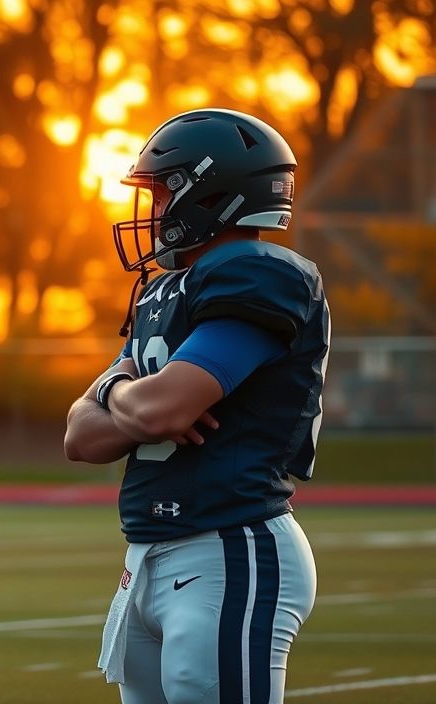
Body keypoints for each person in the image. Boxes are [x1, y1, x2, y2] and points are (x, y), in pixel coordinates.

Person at [63, 109, 328, 704]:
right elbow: (80, 437)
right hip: (150, 554)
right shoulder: (165, 290)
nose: (153, 212)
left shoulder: (255, 272)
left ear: (208, 193)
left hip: (228, 544)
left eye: (162, 193)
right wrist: (117, 395)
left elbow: (161, 412)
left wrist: (119, 395)